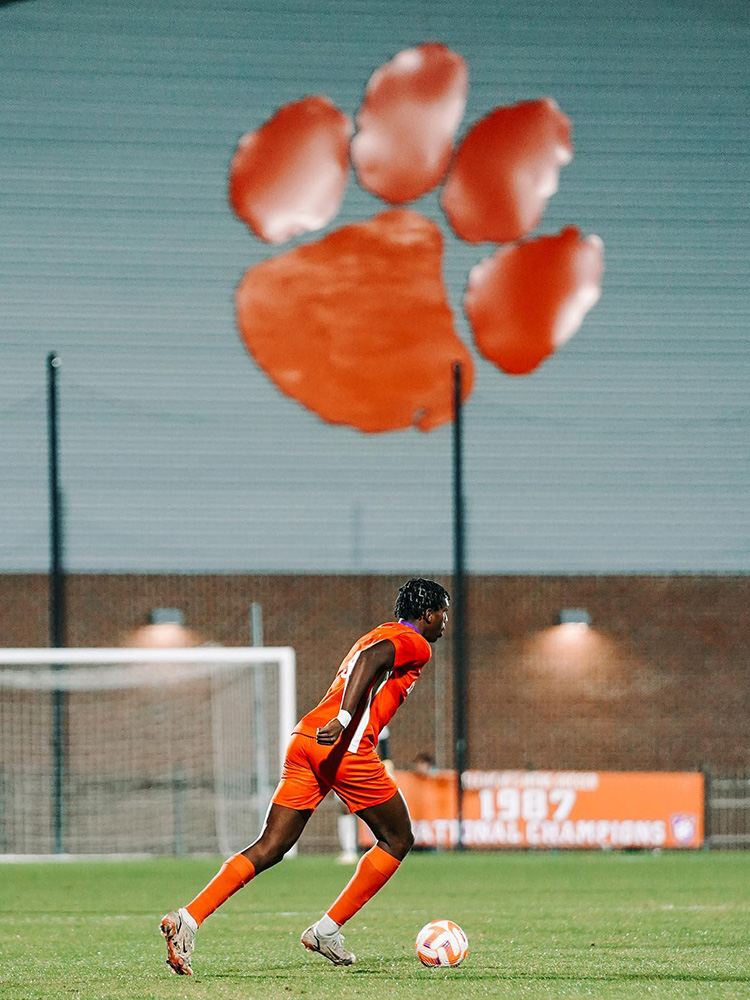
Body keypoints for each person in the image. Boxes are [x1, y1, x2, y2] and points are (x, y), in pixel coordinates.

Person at [159, 577, 450, 975]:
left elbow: (366, 660)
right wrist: (345, 718)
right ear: (428, 614)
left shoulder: (375, 632)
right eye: (443, 615)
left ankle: (186, 920)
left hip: (306, 740)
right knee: (398, 838)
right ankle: (327, 930)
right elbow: (372, 661)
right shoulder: (413, 642)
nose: (444, 624)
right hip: (344, 749)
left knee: (270, 846)